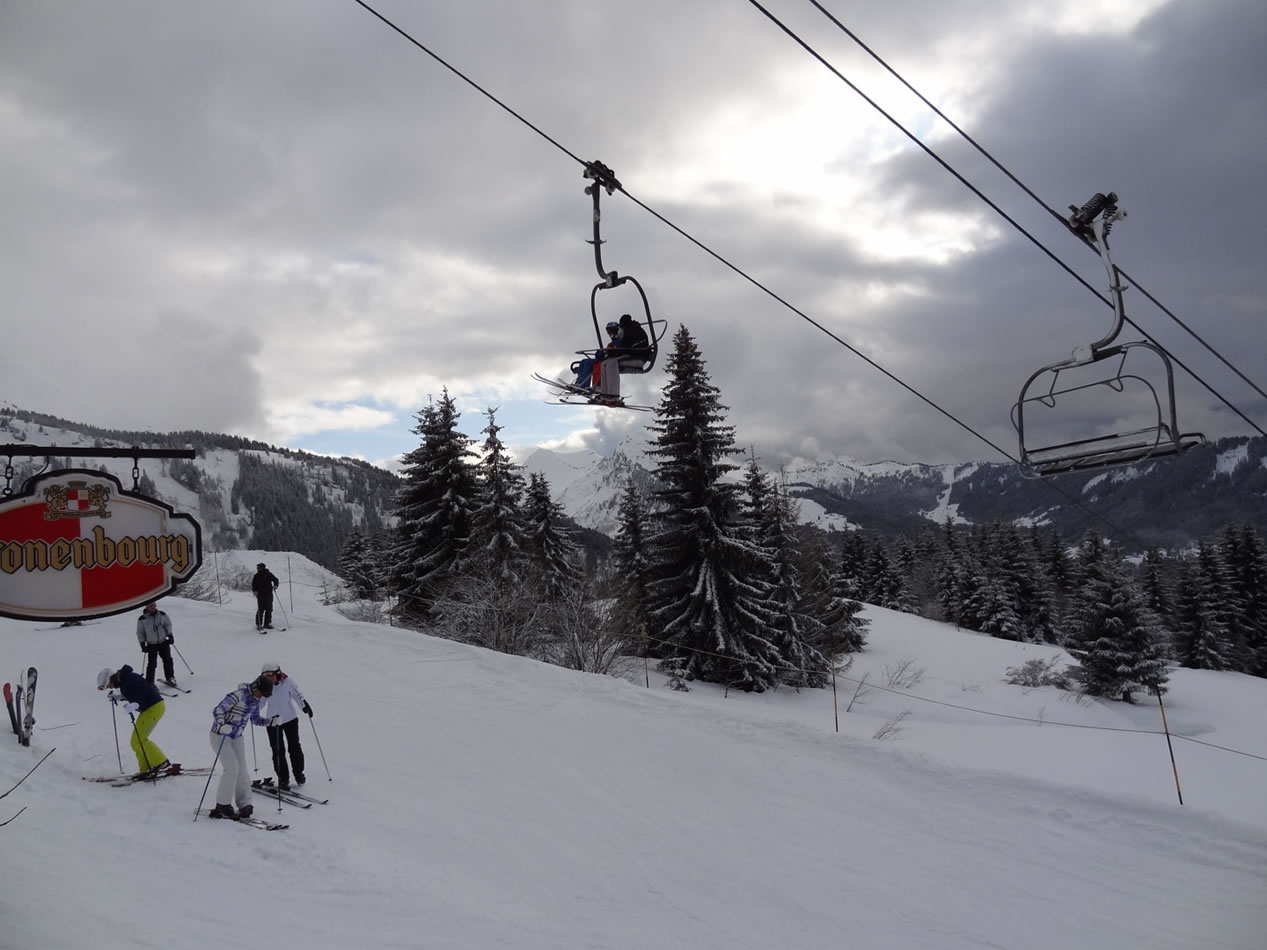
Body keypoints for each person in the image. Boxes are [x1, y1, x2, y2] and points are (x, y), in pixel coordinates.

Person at [207, 675, 277, 820]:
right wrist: (222, 725)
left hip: (236, 737)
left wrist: (271, 721)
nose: (260, 697)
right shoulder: (237, 696)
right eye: (261, 693)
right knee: (231, 768)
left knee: (242, 770)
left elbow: (256, 719)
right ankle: (223, 804)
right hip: (220, 736)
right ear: (255, 687)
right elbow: (218, 710)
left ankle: (245, 803)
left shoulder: (255, 701)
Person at [97, 665, 168, 775]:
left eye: (109, 685)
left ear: (111, 678)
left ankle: (162, 762)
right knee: (135, 741)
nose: (111, 687)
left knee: (139, 740)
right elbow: (132, 692)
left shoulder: (129, 678)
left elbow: (143, 690)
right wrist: (118, 697)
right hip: (149, 709)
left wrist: (136, 703)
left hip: (154, 708)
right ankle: (146, 768)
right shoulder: (124, 682)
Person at [259, 662, 312, 789]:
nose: (268, 679)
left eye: (270, 675)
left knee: (294, 747)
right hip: (272, 721)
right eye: (265, 676)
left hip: (290, 719)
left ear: (277, 674)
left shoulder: (288, 682)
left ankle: (299, 773)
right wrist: (251, 711)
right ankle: (283, 778)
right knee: (277, 750)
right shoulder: (264, 686)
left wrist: (304, 706)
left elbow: (297, 695)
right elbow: (259, 702)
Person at [597, 313, 652, 405]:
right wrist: (613, 352)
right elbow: (625, 347)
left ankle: (613, 395)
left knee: (612, 363)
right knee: (604, 363)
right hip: (632, 355)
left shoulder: (633, 330)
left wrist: (614, 352)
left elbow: (626, 346)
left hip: (638, 358)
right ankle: (604, 393)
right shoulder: (629, 329)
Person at [135, 601, 177, 687]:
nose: (153, 607)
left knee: (168, 660)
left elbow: (167, 624)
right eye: (150, 606)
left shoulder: (162, 614)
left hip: (163, 641)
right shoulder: (142, 619)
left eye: (154, 605)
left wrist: (170, 635)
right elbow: (140, 632)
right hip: (151, 644)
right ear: (146, 607)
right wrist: (142, 644)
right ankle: (150, 682)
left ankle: (170, 677)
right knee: (152, 664)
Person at [570, 321, 622, 390]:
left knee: (590, 363)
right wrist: (600, 353)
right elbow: (606, 352)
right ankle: (580, 383)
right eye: (608, 332)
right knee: (583, 361)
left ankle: (587, 385)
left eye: (610, 331)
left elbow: (615, 350)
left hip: (610, 359)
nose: (609, 333)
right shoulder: (613, 342)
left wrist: (606, 352)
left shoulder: (619, 340)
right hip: (605, 358)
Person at [252, 562, 280, 630]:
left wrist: (275, 586)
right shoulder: (256, 576)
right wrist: (255, 591)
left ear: (262, 568)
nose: (258, 569)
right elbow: (254, 585)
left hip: (268, 594)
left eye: (259, 568)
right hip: (260, 595)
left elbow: (276, 580)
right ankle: (259, 624)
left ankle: (267, 624)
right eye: (257, 568)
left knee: (269, 609)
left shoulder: (268, 574)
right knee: (260, 609)